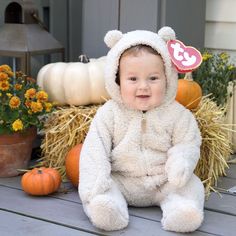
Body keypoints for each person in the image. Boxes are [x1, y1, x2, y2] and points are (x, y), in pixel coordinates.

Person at [79, 27, 204, 233]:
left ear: (168, 78)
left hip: (164, 181)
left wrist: (181, 162)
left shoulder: (177, 114)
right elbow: (95, 149)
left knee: (191, 186)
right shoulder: (109, 113)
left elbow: (188, 142)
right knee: (102, 194)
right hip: (122, 181)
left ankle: (182, 212)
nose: (143, 86)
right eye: (133, 79)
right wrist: (96, 182)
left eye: (153, 78)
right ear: (117, 80)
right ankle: (109, 210)